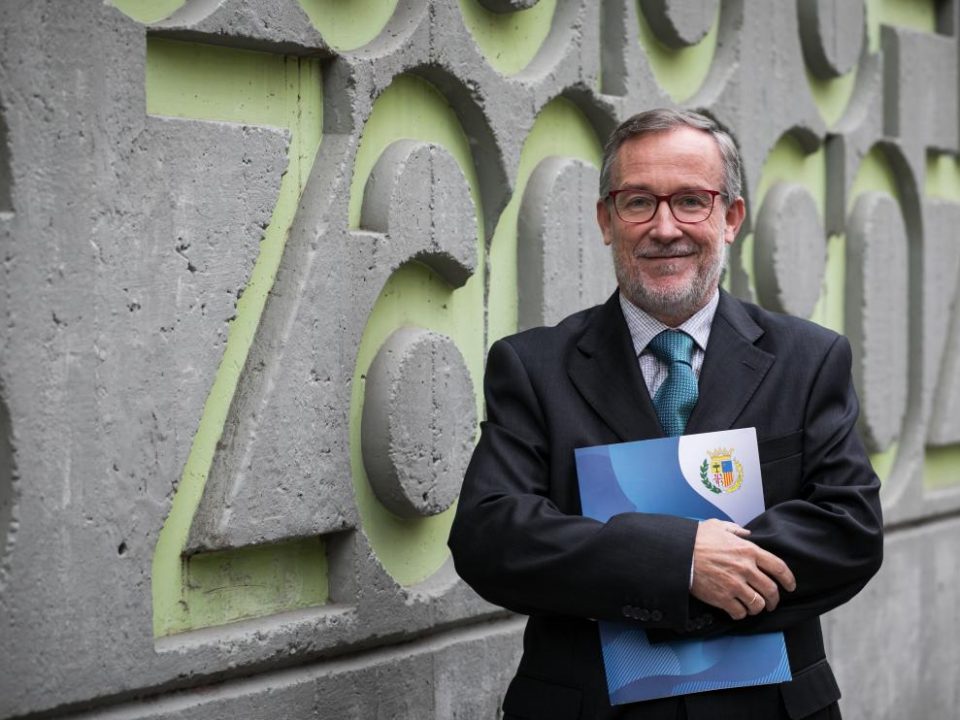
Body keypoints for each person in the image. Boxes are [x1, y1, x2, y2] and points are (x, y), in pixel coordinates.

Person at [448, 109, 883, 720]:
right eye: (638, 202)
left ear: (731, 218)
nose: (664, 227)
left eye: (690, 201)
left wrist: (701, 580)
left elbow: (848, 529)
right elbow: (491, 537)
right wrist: (678, 563)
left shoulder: (809, 359)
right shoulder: (532, 368)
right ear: (606, 220)